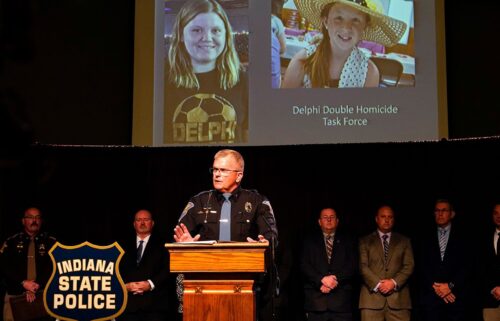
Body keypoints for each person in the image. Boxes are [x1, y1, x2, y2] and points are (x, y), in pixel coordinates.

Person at [173, 149, 278, 320]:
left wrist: (261, 244)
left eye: (223, 170)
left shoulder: (257, 201)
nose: (217, 175)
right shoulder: (198, 201)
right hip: (204, 283)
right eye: (215, 170)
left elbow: (271, 234)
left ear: (238, 175)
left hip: (246, 282)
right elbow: (181, 231)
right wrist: (185, 243)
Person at [164, 0, 248, 144]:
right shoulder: (160, 80)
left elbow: (248, 134)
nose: (207, 38)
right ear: (181, 35)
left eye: (215, 30)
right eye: (197, 30)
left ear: (226, 35)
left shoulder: (242, 80)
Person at [282, 0, 407, 88]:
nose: (346, 28)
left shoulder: (369, 73)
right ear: (326, 21)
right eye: (339, 18)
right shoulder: (302, 62)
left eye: (356, 20)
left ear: (364, 27)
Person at [358, 205, 414, 321]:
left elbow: (409, 265)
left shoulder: (404, 241)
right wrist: (379, 284)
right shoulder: (365, 241)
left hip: (399, 302)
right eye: (383, 216)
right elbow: (362, 266)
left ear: (394, 219)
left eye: (390, 217)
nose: (387, 220)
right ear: (376, 219)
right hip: (371, 301)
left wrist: (393, 282)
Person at [418, 199, 470, 321]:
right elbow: (421, 265)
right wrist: (437, 288)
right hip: (430, 299)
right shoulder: (423, 236)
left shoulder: (464, 237)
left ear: (452, 214)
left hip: (455, 299)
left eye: (444, 210)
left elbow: (467, 266)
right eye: (437, 210)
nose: (440, 213)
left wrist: (450, 286)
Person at [300, 207, 356, 321]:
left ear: (337, 221)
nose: (329, 220)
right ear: (319, 222)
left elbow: (352, 265)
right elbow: (304, 265)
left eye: (332, 217)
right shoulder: (309, 241)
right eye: (325, 217)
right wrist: (321, 280)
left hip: (341, 303)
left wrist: (335, 279)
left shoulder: (348, 240)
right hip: (316, 301)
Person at [0, 207, 56, 321]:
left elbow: (54, 267)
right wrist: (23, 283)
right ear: (23, 221)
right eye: (30, 217)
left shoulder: (51, 242)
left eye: (37, 217)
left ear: (41, 221)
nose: (34, 220)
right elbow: (5, 267)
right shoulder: (11, 242)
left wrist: (36, 286)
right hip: (15, 294)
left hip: (43, 294)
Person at [119, 209, 171, 321]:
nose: (142, 223)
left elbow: (168, 269)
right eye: (139, 220)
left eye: (146, 219)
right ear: (134, 224)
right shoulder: (121, 245)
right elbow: (114, 269)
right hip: (127, 307)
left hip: (155, 308)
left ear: (152, 223)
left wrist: (150, 284)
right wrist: (125, 286)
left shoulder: (165, 244)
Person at [479, 203, 500, 321]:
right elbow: (480, 269)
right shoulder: (483, 238)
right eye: (496, 213)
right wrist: (493, 288)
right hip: (490, 300)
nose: (499, 216)